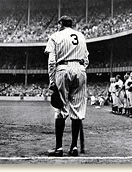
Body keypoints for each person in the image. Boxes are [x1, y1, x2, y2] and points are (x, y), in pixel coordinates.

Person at [45, 15, 89, 157]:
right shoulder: (81, 36)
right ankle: (74, 147)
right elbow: (86, 59)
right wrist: (79, 69)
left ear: (60, 24)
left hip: (63, 69)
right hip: (80, 69)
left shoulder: (55, 36)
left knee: (61, 110)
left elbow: (52, 62)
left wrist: (52, 81)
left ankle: (59, 148)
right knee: (77, 111)